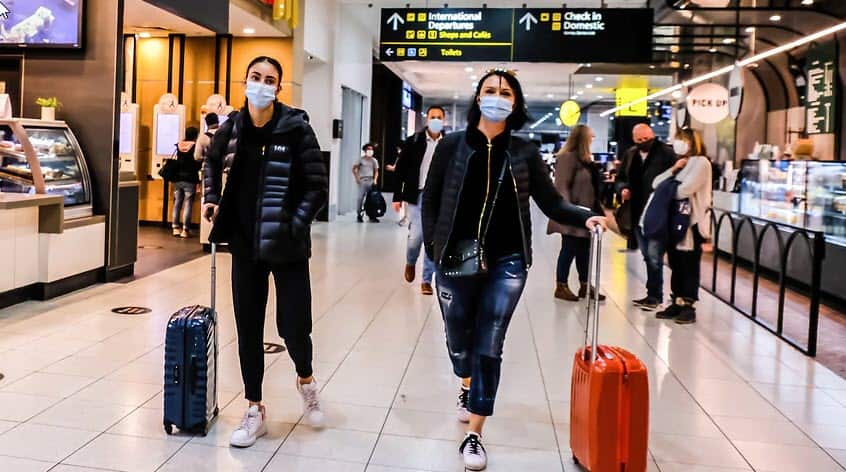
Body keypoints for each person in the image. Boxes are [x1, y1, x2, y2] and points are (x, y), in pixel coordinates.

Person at [421, 69, 606, 471]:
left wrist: (585, 216)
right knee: (459, 340)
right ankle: (464, 382)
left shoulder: (522, 151)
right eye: (490, 90)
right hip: (455, 258)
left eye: (505, 92)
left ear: (516, 103)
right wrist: (433, 248)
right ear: (477, 99)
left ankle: (475, 432)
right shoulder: (452, 146)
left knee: (490, 342)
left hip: (507, 261)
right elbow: (431, 200)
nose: (497, 97)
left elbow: (551, 201)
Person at [202, 56, 328, 449]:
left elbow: (316, 186)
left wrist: (295, 223)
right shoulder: (233, 127)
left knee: (293, 326)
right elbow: (208, 160)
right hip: (244, 245)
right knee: (248, 329)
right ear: (245, 82)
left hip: (287, 247)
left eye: (269, 79)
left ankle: (305, 379)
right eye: (255, 77)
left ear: (278, 87)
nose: (261, 84)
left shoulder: (295, 128)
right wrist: (211, 198)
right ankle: (254, 407)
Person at [653, 128, 712, 324]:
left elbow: (685, 190)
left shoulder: (702, 163)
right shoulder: (681, 163)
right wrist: (674, 170)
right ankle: (676, 300)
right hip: (674, 220)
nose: (677, 144)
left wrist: (667, 189)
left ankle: (689, 304)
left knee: (689, 264)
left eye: (681, 140)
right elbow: (656, 183)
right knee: (676, 262)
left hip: (691, 222)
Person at [616, 123, 676, 310]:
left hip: (658, 213)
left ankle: (655, 296)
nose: (643, 142)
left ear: (652, 135)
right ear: (634, 139)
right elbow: (621, 178)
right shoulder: (631, 154)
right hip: (636, 213)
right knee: (647, 255)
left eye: (646, 139)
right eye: (639, 140)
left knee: (654, 256)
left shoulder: (666, 153)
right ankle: (652, 293)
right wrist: (623, 188)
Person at [547, 125, 606, 302]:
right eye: (590, 136)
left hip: (586, 214)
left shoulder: (585, 160)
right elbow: (562, 187)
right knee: (569, 249)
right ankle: (561, 286)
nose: (593, 138)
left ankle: (585, 285)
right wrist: (568, 213)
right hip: (573, 215)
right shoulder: (567, 158)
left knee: (584, 251)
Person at [394, 105, 446, 295]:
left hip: (438, 197)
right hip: (416, 195)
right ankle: (410, 262)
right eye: (433, 116)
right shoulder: (414, 141)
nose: (436, 120)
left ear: (444, 120)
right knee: (416, 236)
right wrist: (397, 196)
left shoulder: (448, 144)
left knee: (432, 240)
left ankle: (426, 280)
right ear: (427, 119)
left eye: (439, 117)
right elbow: (400, 170)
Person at [171, 126, 201, 238]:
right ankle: (185, 229)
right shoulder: (194, 146)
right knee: (188, 204)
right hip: (190, 178)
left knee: (177, 203)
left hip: (178, 178)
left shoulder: (179, 145)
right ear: (195, 135)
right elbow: (197, 161)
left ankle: (175, 227)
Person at [353, 143, 380, 223]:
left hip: (371, 181)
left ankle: (372, 215)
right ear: (365, 150)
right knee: (360, 198)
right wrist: (357, 178)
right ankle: (359, 214)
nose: (370, 151)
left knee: (371, 199)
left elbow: (376, 171)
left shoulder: (374, 160)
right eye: (368, 149)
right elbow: (354, 169)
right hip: (362, 181)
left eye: (371, 149)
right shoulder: (361, 160)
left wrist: (375, 180)